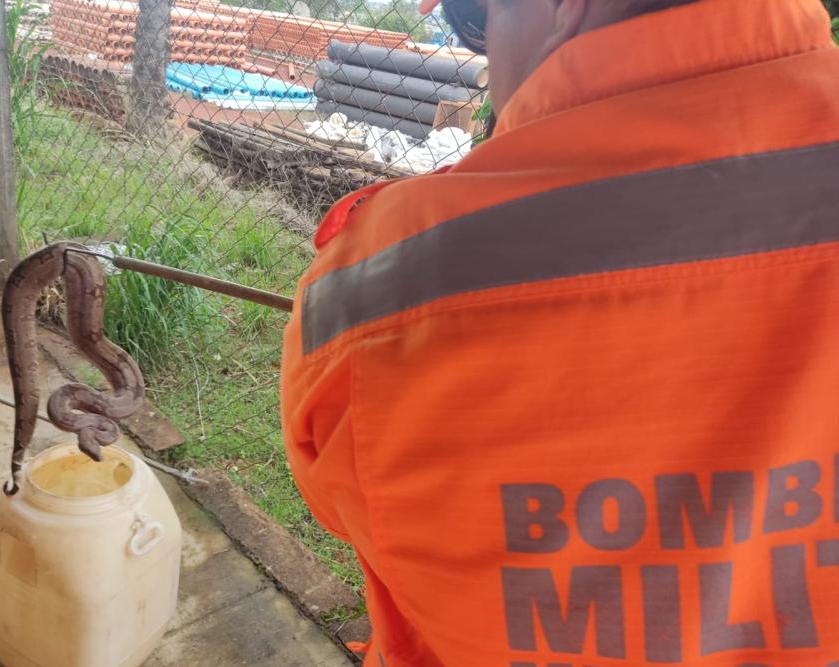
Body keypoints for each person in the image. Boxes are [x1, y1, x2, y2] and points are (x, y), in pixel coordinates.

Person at [280, 0, 839, 665]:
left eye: (476, 23)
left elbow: (339, 500)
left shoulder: (371, 291)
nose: (484, 55)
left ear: (561, 7)